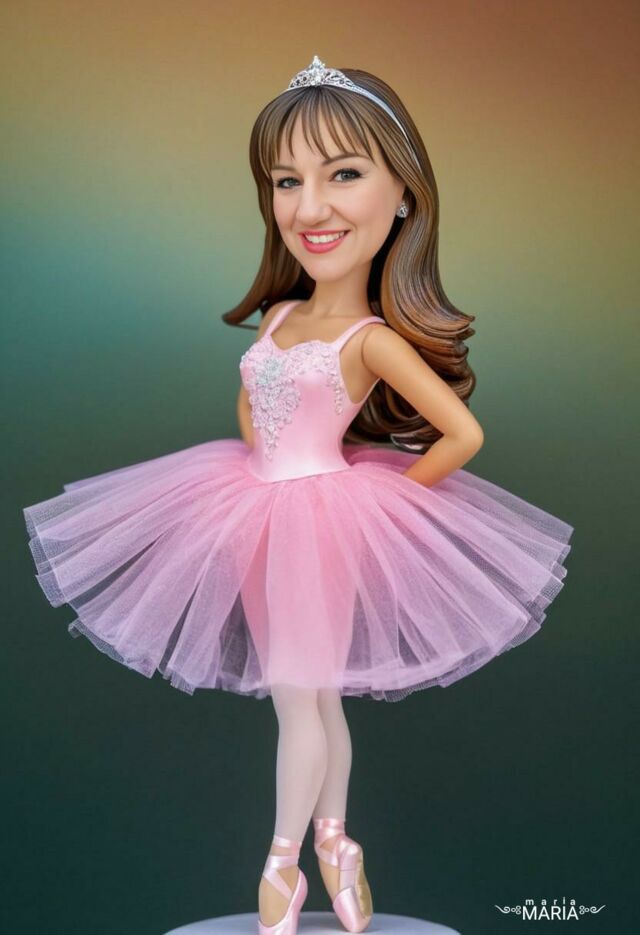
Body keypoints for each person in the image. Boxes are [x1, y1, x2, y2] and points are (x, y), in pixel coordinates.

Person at [23, 56, 574, 935]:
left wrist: (388, 507)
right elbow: (255, 403)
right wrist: (261, 444)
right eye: (287, 181)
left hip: (322, 520)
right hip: (251, 510)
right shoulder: (280, 316)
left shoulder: (371, 339)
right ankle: (337, 844)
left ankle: (281, 862)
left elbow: (461, 435)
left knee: (296, 696)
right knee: (314, 697)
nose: (309, 207)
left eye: (342, 174)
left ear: (404, 194)